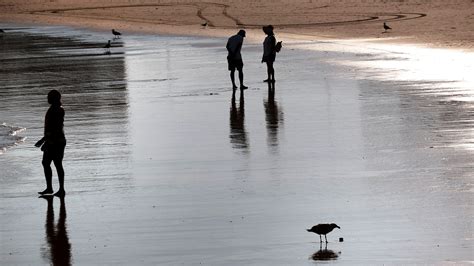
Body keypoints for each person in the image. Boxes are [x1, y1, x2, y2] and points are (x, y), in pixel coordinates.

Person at [35, 90, 67, 197]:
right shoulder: (57, 109)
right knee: (47, 163)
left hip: (56, 141)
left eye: (49, 97)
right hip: (55, 140)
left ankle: (60, 189)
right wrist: (45, 140)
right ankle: (51, 188)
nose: (47, 98)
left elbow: (55, 128)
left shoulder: (56, 110)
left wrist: (43, 141)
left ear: (54, 98)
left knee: (56, 164)